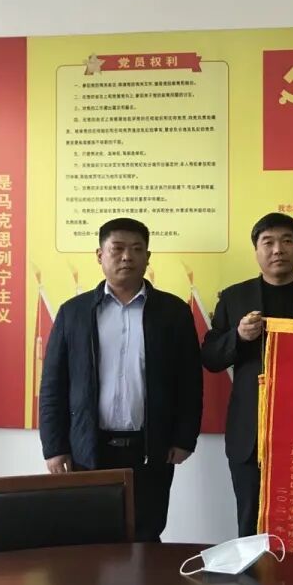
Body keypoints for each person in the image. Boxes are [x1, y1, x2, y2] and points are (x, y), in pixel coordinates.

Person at [39, 217, 202, 542]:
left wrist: (184, 437)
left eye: (137, 249)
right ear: (100, 255)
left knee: (146, 534)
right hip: (88, 448)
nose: (127, 256)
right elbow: (53, 385)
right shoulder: (73, 313)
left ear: (147, 257)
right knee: (89, 537)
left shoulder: (173, 312)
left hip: (151, 447)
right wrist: (54, 447)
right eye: (117, 249)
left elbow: (189, 381)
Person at [201, 212, 293, 537]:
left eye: (286, 241)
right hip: (251, 434)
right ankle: (251, 573)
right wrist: (238, 336)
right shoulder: (234, 297)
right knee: (251, 523)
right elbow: (210, 357)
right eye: (268, 242)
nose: (278, 249)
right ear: (256, 250)